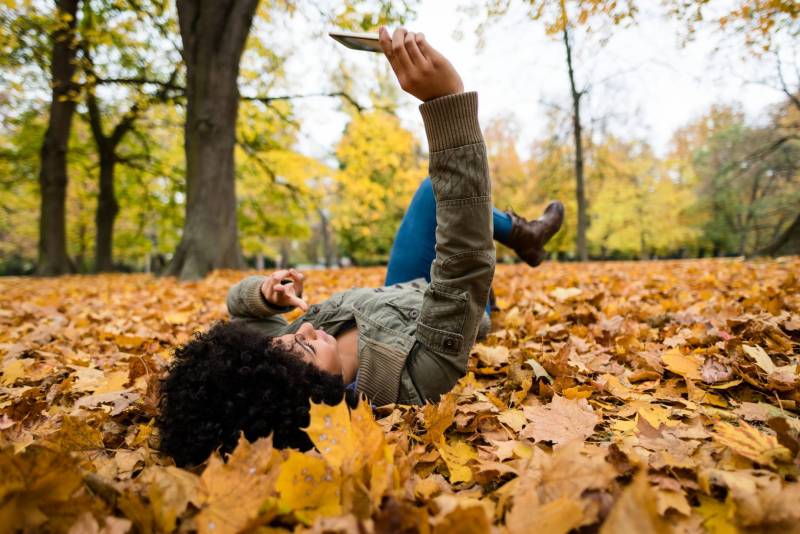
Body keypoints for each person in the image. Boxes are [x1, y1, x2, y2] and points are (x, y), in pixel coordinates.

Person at [157, 27, 563, 467]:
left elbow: (239, 312)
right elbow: (464, 263)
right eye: (307, 347)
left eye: (286, 341)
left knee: (431, 193)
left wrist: (262, 293)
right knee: (441, 198)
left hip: (401, 287)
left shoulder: (278, 358)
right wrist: (446, 105)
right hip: (454, 305)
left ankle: (524, 235)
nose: (303, 329)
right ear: (318, 403)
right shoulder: (410, 381)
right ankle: (522, 234)